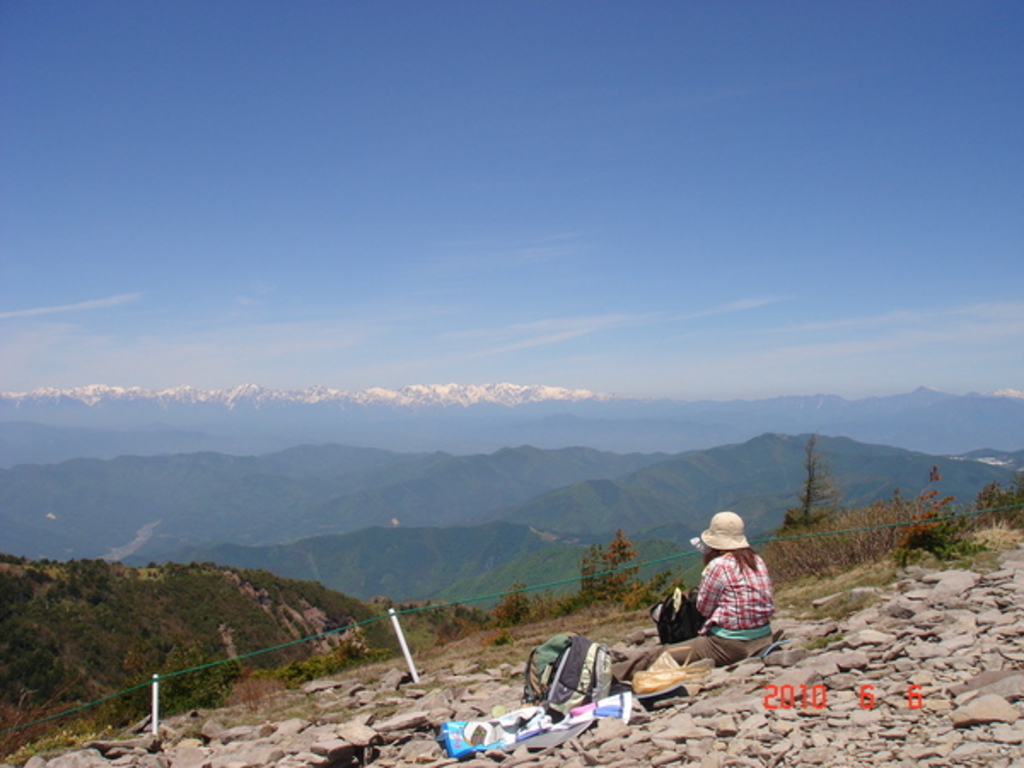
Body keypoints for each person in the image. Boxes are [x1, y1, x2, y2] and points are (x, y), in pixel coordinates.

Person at [612, 511, 776, 681]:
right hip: (763, 638)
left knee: (662, 654)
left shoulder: (718, 565)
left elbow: (704, 609)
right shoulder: (757, 560)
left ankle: (608, 676)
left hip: (729, 645)